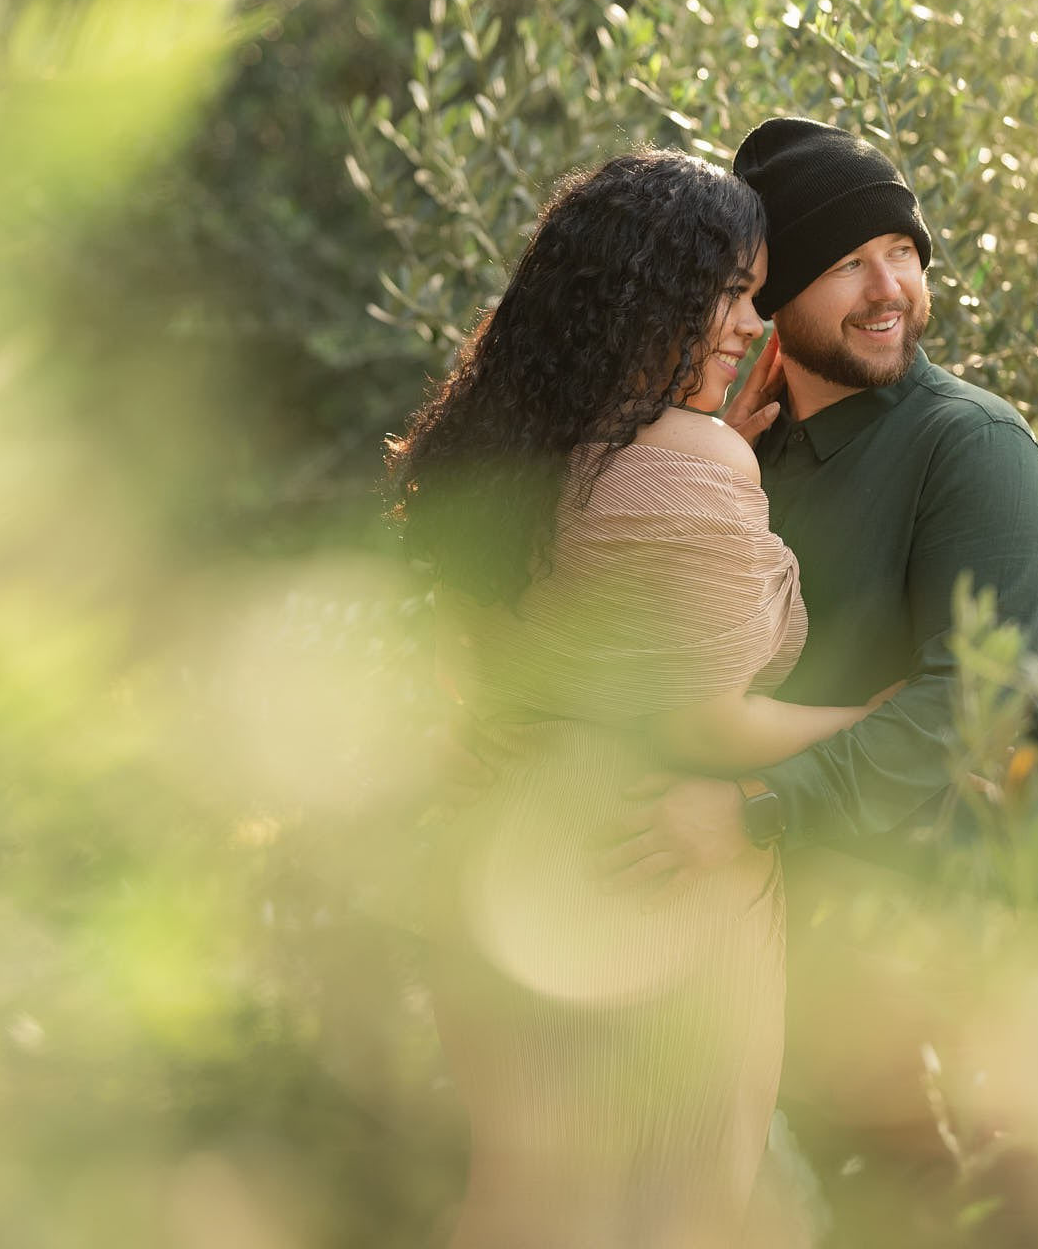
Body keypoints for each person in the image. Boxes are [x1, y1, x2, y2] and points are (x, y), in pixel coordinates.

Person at [390, 147, 884, 1249]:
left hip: (495, 872)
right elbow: (704, 725)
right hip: (652, 878)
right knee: (676, 1214)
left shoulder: (498, 454)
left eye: (755, 297)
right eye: (726, 291)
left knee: (518, 1204)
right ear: (645, 291)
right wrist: (901, 718)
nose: (745, 325)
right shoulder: (691, 461)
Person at [605, 117, 1038, 1240]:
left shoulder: (970, 448)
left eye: (904, 253)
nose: (889, 289)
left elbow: (973, 705)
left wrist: (758, 811)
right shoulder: (749, 458)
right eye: (844, 264)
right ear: (771, 299)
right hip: (783, 962)